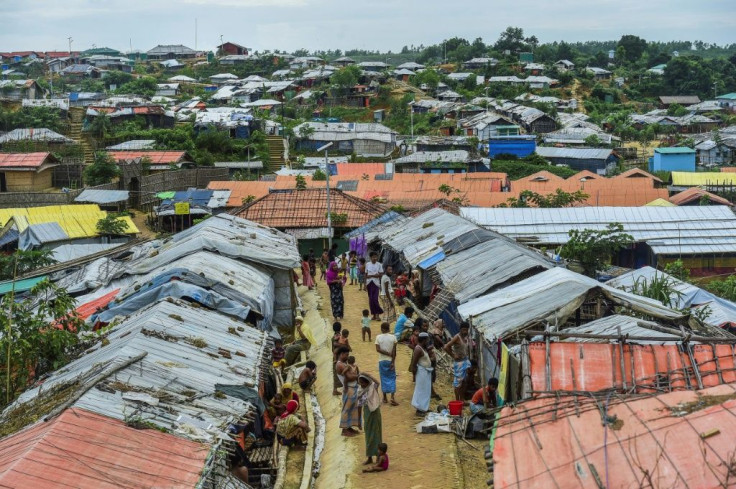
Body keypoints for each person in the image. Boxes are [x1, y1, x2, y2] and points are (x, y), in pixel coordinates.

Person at [336, 346, 362, 436]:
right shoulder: (340, 365)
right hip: (349, 389)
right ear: (342, 354)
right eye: (346, 355)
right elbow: (349, 377)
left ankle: (349, 427)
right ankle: (344, 429)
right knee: (347, 409)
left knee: (352, 408)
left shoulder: (345, 364)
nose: (347, 356)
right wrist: (358, 375)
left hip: (352, 388)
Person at [358, 373, 383, 466]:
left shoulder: (373, 387)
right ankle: (369, 457)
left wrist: (368, 375)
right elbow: (359, 406)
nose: (361, 385)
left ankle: (378, 456)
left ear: (367, 382)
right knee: (368, 435)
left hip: (375, 412)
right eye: (360, 383)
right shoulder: (360, 391)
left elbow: (377, 382)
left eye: (363, 383)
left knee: (377, 434)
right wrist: (359, 421)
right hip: (367, 413)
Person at [444, 322, 472, 401]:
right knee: (457, 384)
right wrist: (453, 355)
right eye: (463, 330)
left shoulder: (465, 337)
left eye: (466, 330)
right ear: (460, 329)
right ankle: (457, 401)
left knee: (464, 382)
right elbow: (446, 347)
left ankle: (462, 400)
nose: (465, 331)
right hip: (459, 363)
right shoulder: (457, 337)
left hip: (465, 361)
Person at [375, 322, 399, 406]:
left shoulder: (378, 337)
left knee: (383, 378)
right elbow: (394, 352)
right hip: (390, 361)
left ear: (382, 329)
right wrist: (392, 361)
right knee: (392, 377)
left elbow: (378, 349)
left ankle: (385, 398)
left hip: (382, 361)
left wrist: (386, 353)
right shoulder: (393, 338)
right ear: (388, 329)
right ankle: (392, 397)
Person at [410, 332, 433, 416]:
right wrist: (414, 374)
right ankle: (419, 409)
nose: (428, 341)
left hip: (425, 372)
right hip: (421, 372)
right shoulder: (418, 349)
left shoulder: (422, 348)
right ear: (424, 340)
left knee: (426, 390)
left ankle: (424, 408)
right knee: (421, 390)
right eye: (427, 340)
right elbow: (414, 363)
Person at [365, 252, 384, 320]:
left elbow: (381, 274)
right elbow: (366, 274)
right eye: (373, 257)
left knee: (375, 299)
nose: (375, 258)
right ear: (370, 257)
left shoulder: (379, 265)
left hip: (376, 283)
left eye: (376, 257)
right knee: (371, 300)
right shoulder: (367, 264)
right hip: (369, 283)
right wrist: (365, 285)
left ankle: (378, 314)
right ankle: (373, 314)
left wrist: (374, 276)